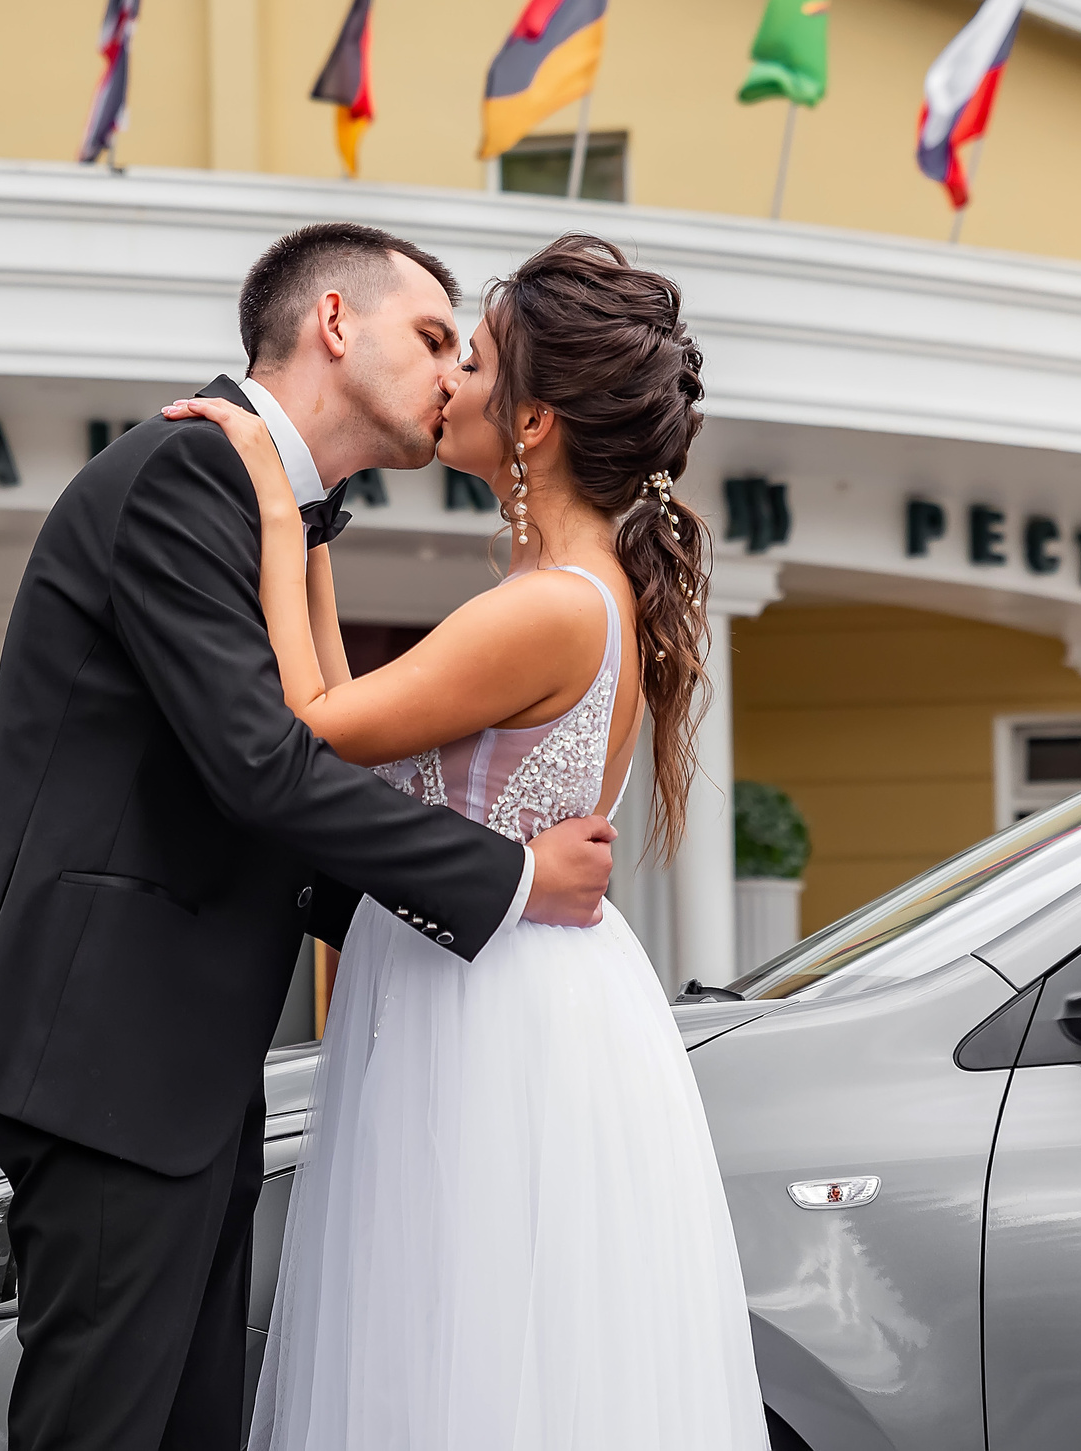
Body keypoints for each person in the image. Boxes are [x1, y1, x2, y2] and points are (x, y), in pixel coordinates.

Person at [0, 221, 622, 1451]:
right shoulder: (185, 472)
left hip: (174, 1056)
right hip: (104, 1049)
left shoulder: (280, 511)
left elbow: (277, 776)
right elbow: (262, 768)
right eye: (433, 338)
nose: (453, 374)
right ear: (334, 322)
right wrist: (507, 878)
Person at [167, 232, 769, 1451]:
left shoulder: (546, 607)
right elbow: (355, 719)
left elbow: (311, 729)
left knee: (461, 1332)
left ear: (533, 424)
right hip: (500, 967)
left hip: (486, 999)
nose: (448, 381)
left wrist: (274, 511)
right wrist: (313, 532)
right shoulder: (577, 592)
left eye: (476, 362)